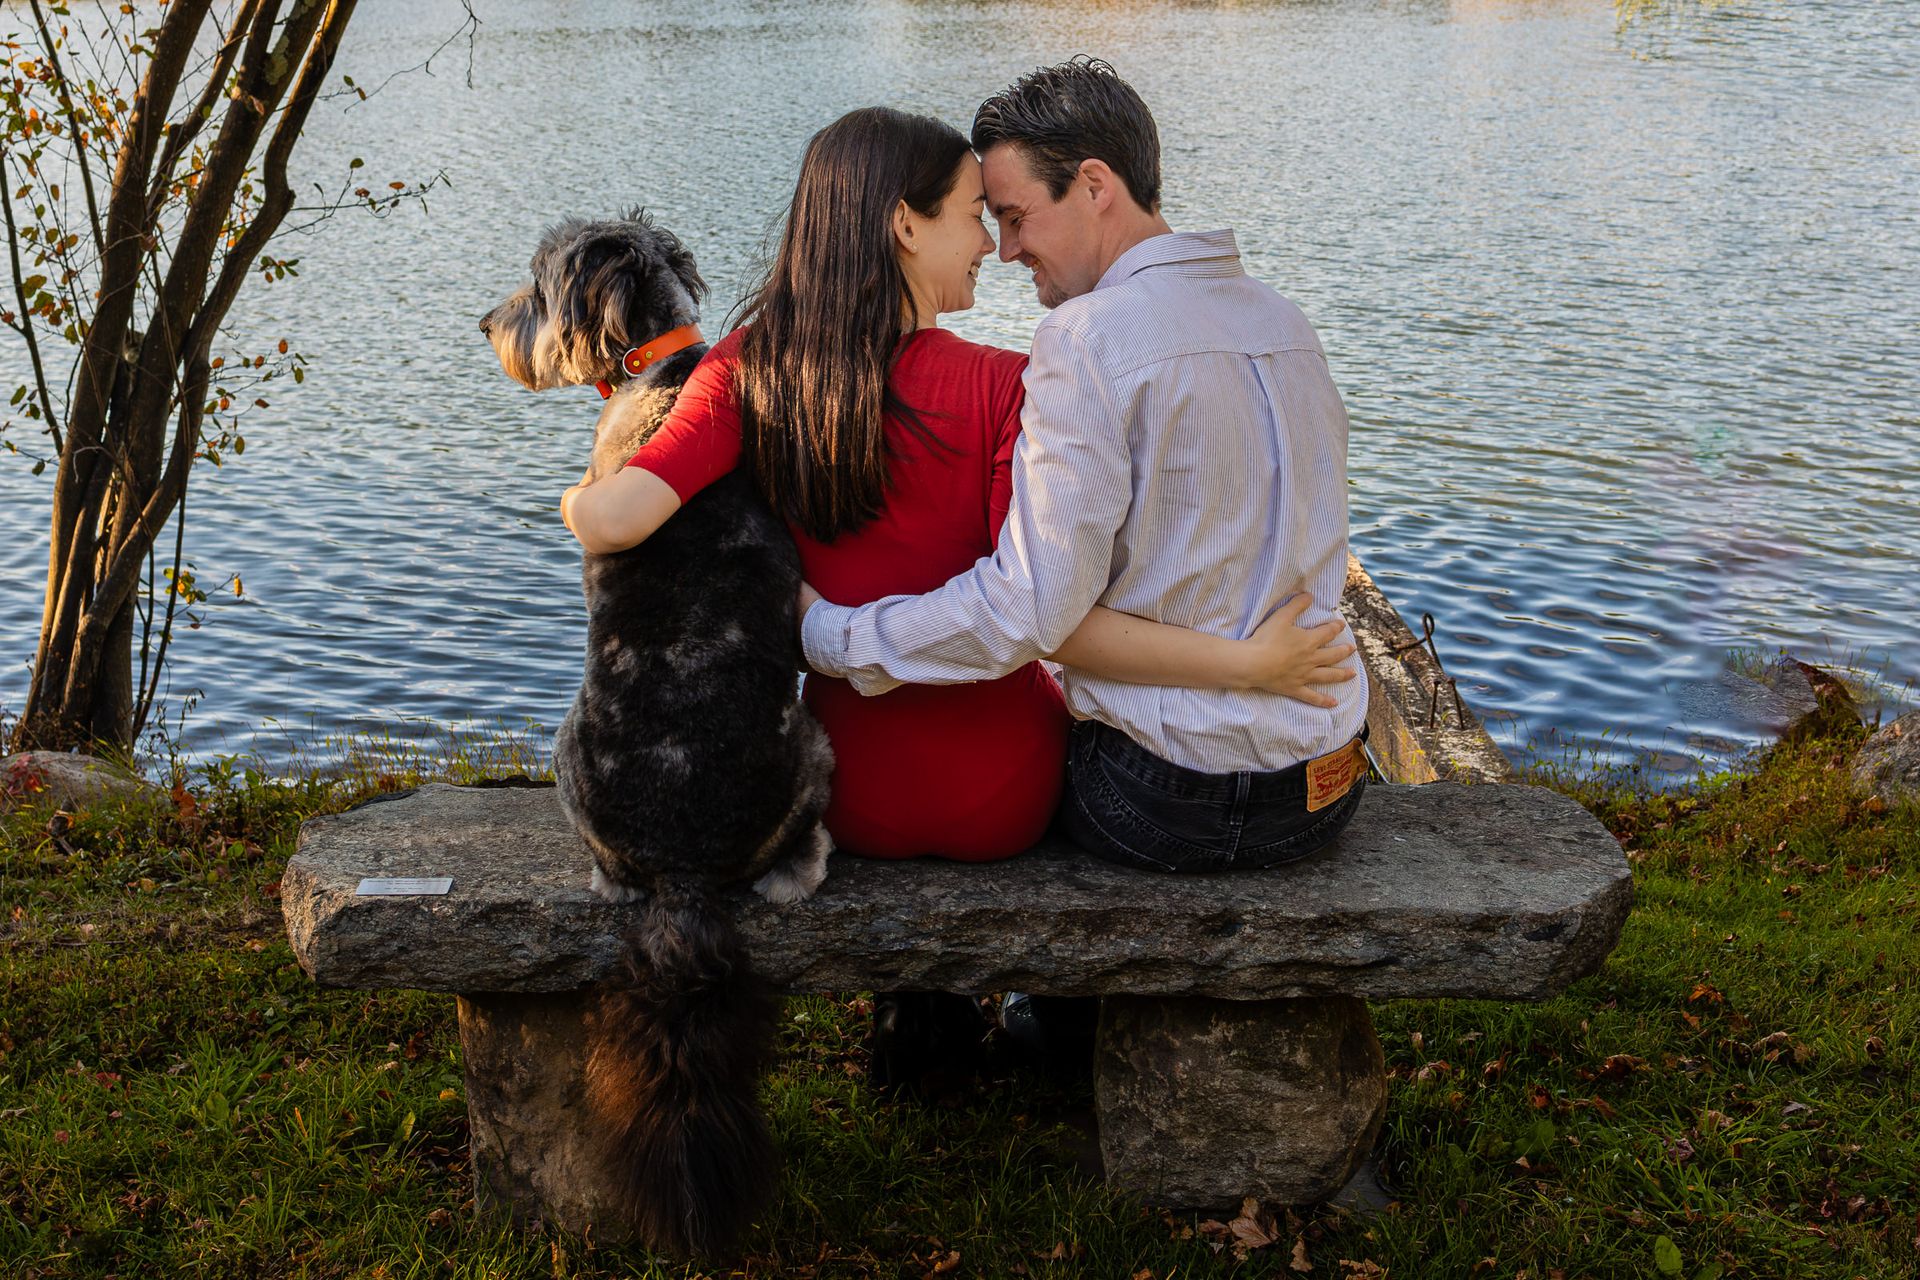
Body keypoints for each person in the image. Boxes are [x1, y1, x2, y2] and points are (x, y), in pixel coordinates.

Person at [561, 104, 1354, 868]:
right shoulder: (1013, 383)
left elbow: (619, 520)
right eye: (978, 214)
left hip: (848, 783)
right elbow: (1041, 615)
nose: (991, 245)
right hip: (1006, 795)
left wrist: (575, 500)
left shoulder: (744, 366)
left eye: (1001, 215)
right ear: (906, 224)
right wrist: (1245, 666)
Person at [797, 59, 1372, 877]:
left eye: (1016, 216)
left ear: (1095, 185)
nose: (1005, 251)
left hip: (1166, 802)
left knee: (1008, 775)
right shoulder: (1285, 321)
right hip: (1322, 788)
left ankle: (1042, 1006)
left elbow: (1029, 607)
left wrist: (836, 636)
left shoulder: (1086, 337)